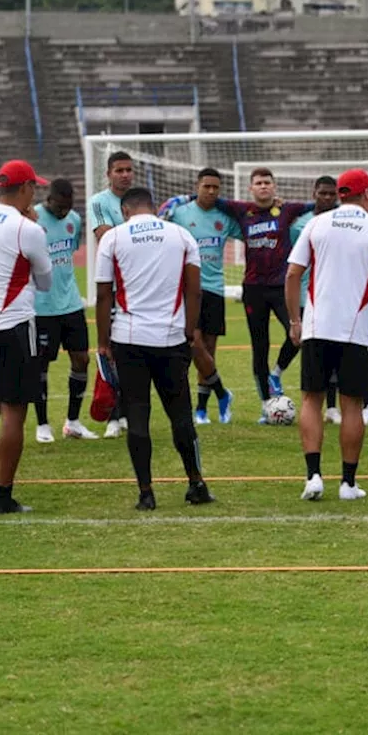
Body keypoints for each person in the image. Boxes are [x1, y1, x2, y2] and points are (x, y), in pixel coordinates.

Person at [286, 169, 368, 501]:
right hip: (355, 331)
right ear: (367, 194)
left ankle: (313, 476)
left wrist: (294, 321)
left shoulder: (316, 224)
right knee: (352, 405)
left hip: (317, 326)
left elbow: (292, 274)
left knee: (312, 399)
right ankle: (348, 483)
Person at [95, 187, 214, 510]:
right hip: (171, 337)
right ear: (153, 207)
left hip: (128, 338)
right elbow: (194, 290)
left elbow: (104, 294)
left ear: (125, 211)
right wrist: (189, 331)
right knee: (180, 414)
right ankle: (195, 483)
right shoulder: (181, 235)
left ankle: (146, 492)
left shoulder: (113, 238)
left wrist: (103, 342)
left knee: (137, 414)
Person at [171, 167, 311, 420]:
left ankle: (276, 373)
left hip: (280, 287)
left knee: (300, 332)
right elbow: (208, 196)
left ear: (275, 186)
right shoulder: (240, 210)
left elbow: (317, 204)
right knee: (259, 348)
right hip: (253, 288)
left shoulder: (288, 210)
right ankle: (265, 406)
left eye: (268, 182)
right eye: (258, 183)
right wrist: (183, 198)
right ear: (251, 188)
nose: (264, 186)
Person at [0, 160, 54, 514]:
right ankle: (4, 495)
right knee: (14, 411)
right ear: (25, 189)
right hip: (14, 325)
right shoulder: (26, 228)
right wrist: (33, 228)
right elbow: (46, 282)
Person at [166, 168, 240, 425]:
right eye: (206, 186)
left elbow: (249, 231)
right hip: (187, 288)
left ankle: (201, 410)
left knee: (208, 350)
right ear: (197, 186)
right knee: (193, 344)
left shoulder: (225, 217)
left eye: (215, 188)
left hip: (215, 289)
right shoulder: (180, 213)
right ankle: (222, 392)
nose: (211, 191)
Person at [33, 179, 97, 443]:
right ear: (50, 199)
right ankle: (42, 425)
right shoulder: (33, 219)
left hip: (71, 303)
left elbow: (68, 252)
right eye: (60, 206)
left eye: (68, 206)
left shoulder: (74, 219)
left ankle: (72, 422)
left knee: (82, 358)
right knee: (40, 365)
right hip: (41, 307)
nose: (63, 211)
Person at [87, 151, 134, 437]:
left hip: (139, 288)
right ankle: (113, 416)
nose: (125, 174)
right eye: (119, 170)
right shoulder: (99, 202)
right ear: (108, 174)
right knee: (112, 351)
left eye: (129, 170)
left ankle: (128, 411)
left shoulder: (142, 197)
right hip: (113, 287)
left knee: (132, 352)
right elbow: (105, 238)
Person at [290, 176, 343, 423]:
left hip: (333, 297)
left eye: (332, 194)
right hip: (305, 296)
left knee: (334, 353)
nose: (327, 198)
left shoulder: (342, 224)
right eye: (323, 193)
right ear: (314, 193)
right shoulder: (301, 225)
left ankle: (332, 407)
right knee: (309, 353)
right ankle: (277, 377)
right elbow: (293, 266)